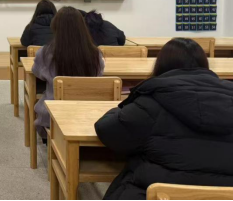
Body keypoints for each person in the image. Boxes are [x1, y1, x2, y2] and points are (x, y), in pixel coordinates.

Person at [96, 38, 233, 200]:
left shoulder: (151, 103)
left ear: (161, 66)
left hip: (157, 194)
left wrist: (118, 109)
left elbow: (107, 130)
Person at [33, 6, 105, 138]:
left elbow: (37, 73)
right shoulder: (95, 53)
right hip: (89, 115)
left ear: (55, 26)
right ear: (82, 26)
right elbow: (99, 75)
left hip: (53, 116)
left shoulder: (45, 52)